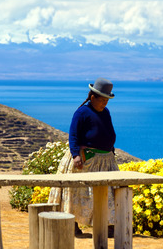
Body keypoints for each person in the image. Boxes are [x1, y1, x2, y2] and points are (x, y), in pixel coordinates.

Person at [48, 78, 119, 236]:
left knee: (107, 193)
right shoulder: (81, 113)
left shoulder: (105, 112)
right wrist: (75, 155)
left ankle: (108, 225)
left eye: (107, 101)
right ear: (93, 97)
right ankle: (71, 223)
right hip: (85, 159)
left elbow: (108, 132)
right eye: (102, 100)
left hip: (105, 161)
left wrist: (111, 151)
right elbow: (73, 135)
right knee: (76, 193)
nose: (105, 104)